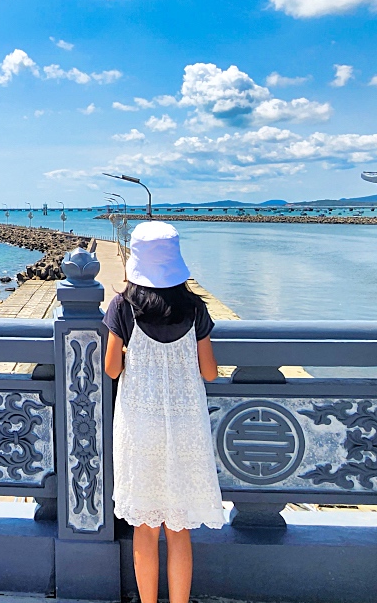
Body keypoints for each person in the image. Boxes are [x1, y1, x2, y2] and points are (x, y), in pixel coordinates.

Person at [103, 221, 224, 603]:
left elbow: (110, 369)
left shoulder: (124, 306)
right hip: (185, 424)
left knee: (144, 526)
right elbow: (209, 372)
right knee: (179, 527)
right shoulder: (194, 307)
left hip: (139, 425)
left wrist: (128, 353)